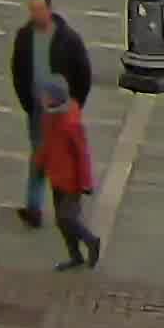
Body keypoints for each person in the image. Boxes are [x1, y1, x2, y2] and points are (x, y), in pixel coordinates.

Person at [7, 0, 92, 229]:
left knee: (62, 158)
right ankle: (34, 207)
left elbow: (83, 73)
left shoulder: (68, 39)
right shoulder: (24, 37)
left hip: (62, 110)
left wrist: (75, 103)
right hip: (37, 108)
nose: (36, 14)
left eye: (40, 9)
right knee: (38, 155)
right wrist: (27, 100)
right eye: (32, 10)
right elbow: (17, 71)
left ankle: (67, 209)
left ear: (49, 9)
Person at [35, 75, 102, 269]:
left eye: (45, 95)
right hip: (56, 178)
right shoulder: (49, 115)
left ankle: (91, 241)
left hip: (71, 181)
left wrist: (86, 183)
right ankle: (75, 256)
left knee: (67, 218)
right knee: (62, 221)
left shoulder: (70, 123)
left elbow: (83, 154)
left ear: (55, 97)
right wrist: (40, 164)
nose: (41, 98)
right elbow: (46, 143)